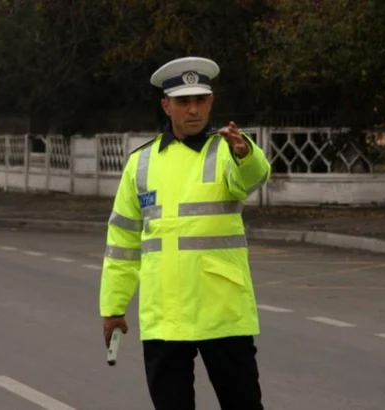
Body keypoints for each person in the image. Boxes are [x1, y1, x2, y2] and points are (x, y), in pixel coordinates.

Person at [99, 56, 271, 410]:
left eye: (200, 100)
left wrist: (246, 153)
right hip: (165, 316)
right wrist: (113, 307)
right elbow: (122, 241)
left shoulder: (227, 150)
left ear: (211, 102)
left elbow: (252, 178)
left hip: (222, 312)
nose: (193, 110)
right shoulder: (140, 162)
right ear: (166, 105)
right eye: (183, 102)